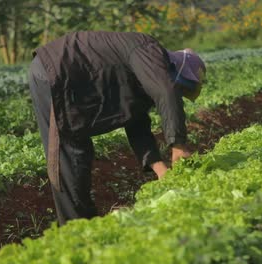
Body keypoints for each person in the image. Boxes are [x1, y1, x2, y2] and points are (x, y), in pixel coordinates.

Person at [28, 31, 206, 224]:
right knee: (67, 152)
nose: (178, 93)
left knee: (78, 153)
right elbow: (165, 91)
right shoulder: (148, 49)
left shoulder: (144, 73)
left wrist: (160, 169)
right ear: (175, 69)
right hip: (54, 71)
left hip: (74, 78)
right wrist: (178, 145)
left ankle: (84, 226)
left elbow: (136, 122)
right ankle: (76, 230)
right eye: (180, 88)